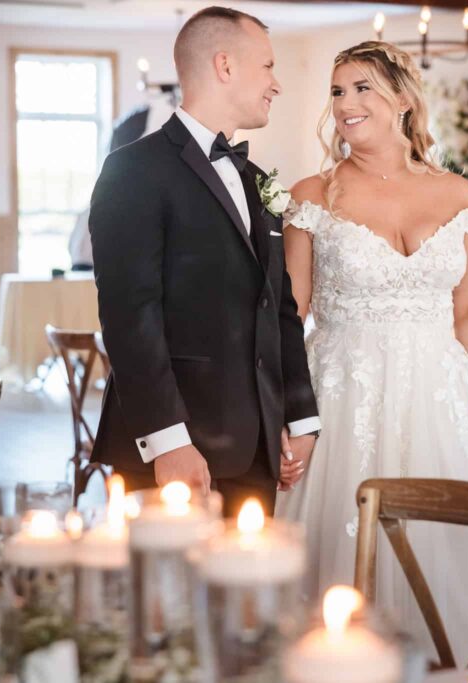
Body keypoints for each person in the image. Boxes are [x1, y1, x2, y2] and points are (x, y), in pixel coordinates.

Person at [275, 41, 468, 668]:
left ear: (403, 99)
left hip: (438, 404)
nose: (346, 105)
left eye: (361, 88)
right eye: (337, 92)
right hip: (341, 398)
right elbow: (289, 315)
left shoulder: (458, 195)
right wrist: (287, 412)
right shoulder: (313, 194)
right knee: (338, 559)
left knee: (444, 549)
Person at [88, 6, 319, 517]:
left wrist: (300, 418)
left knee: (246, 595)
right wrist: (169, 442)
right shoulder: (133, 170)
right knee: (164, 596)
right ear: (225, 65)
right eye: (267, 66)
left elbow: (280, 307)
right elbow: (130, 318)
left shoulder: (259, 180)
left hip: (258, 448)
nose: (276, 84)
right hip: (173, 446)